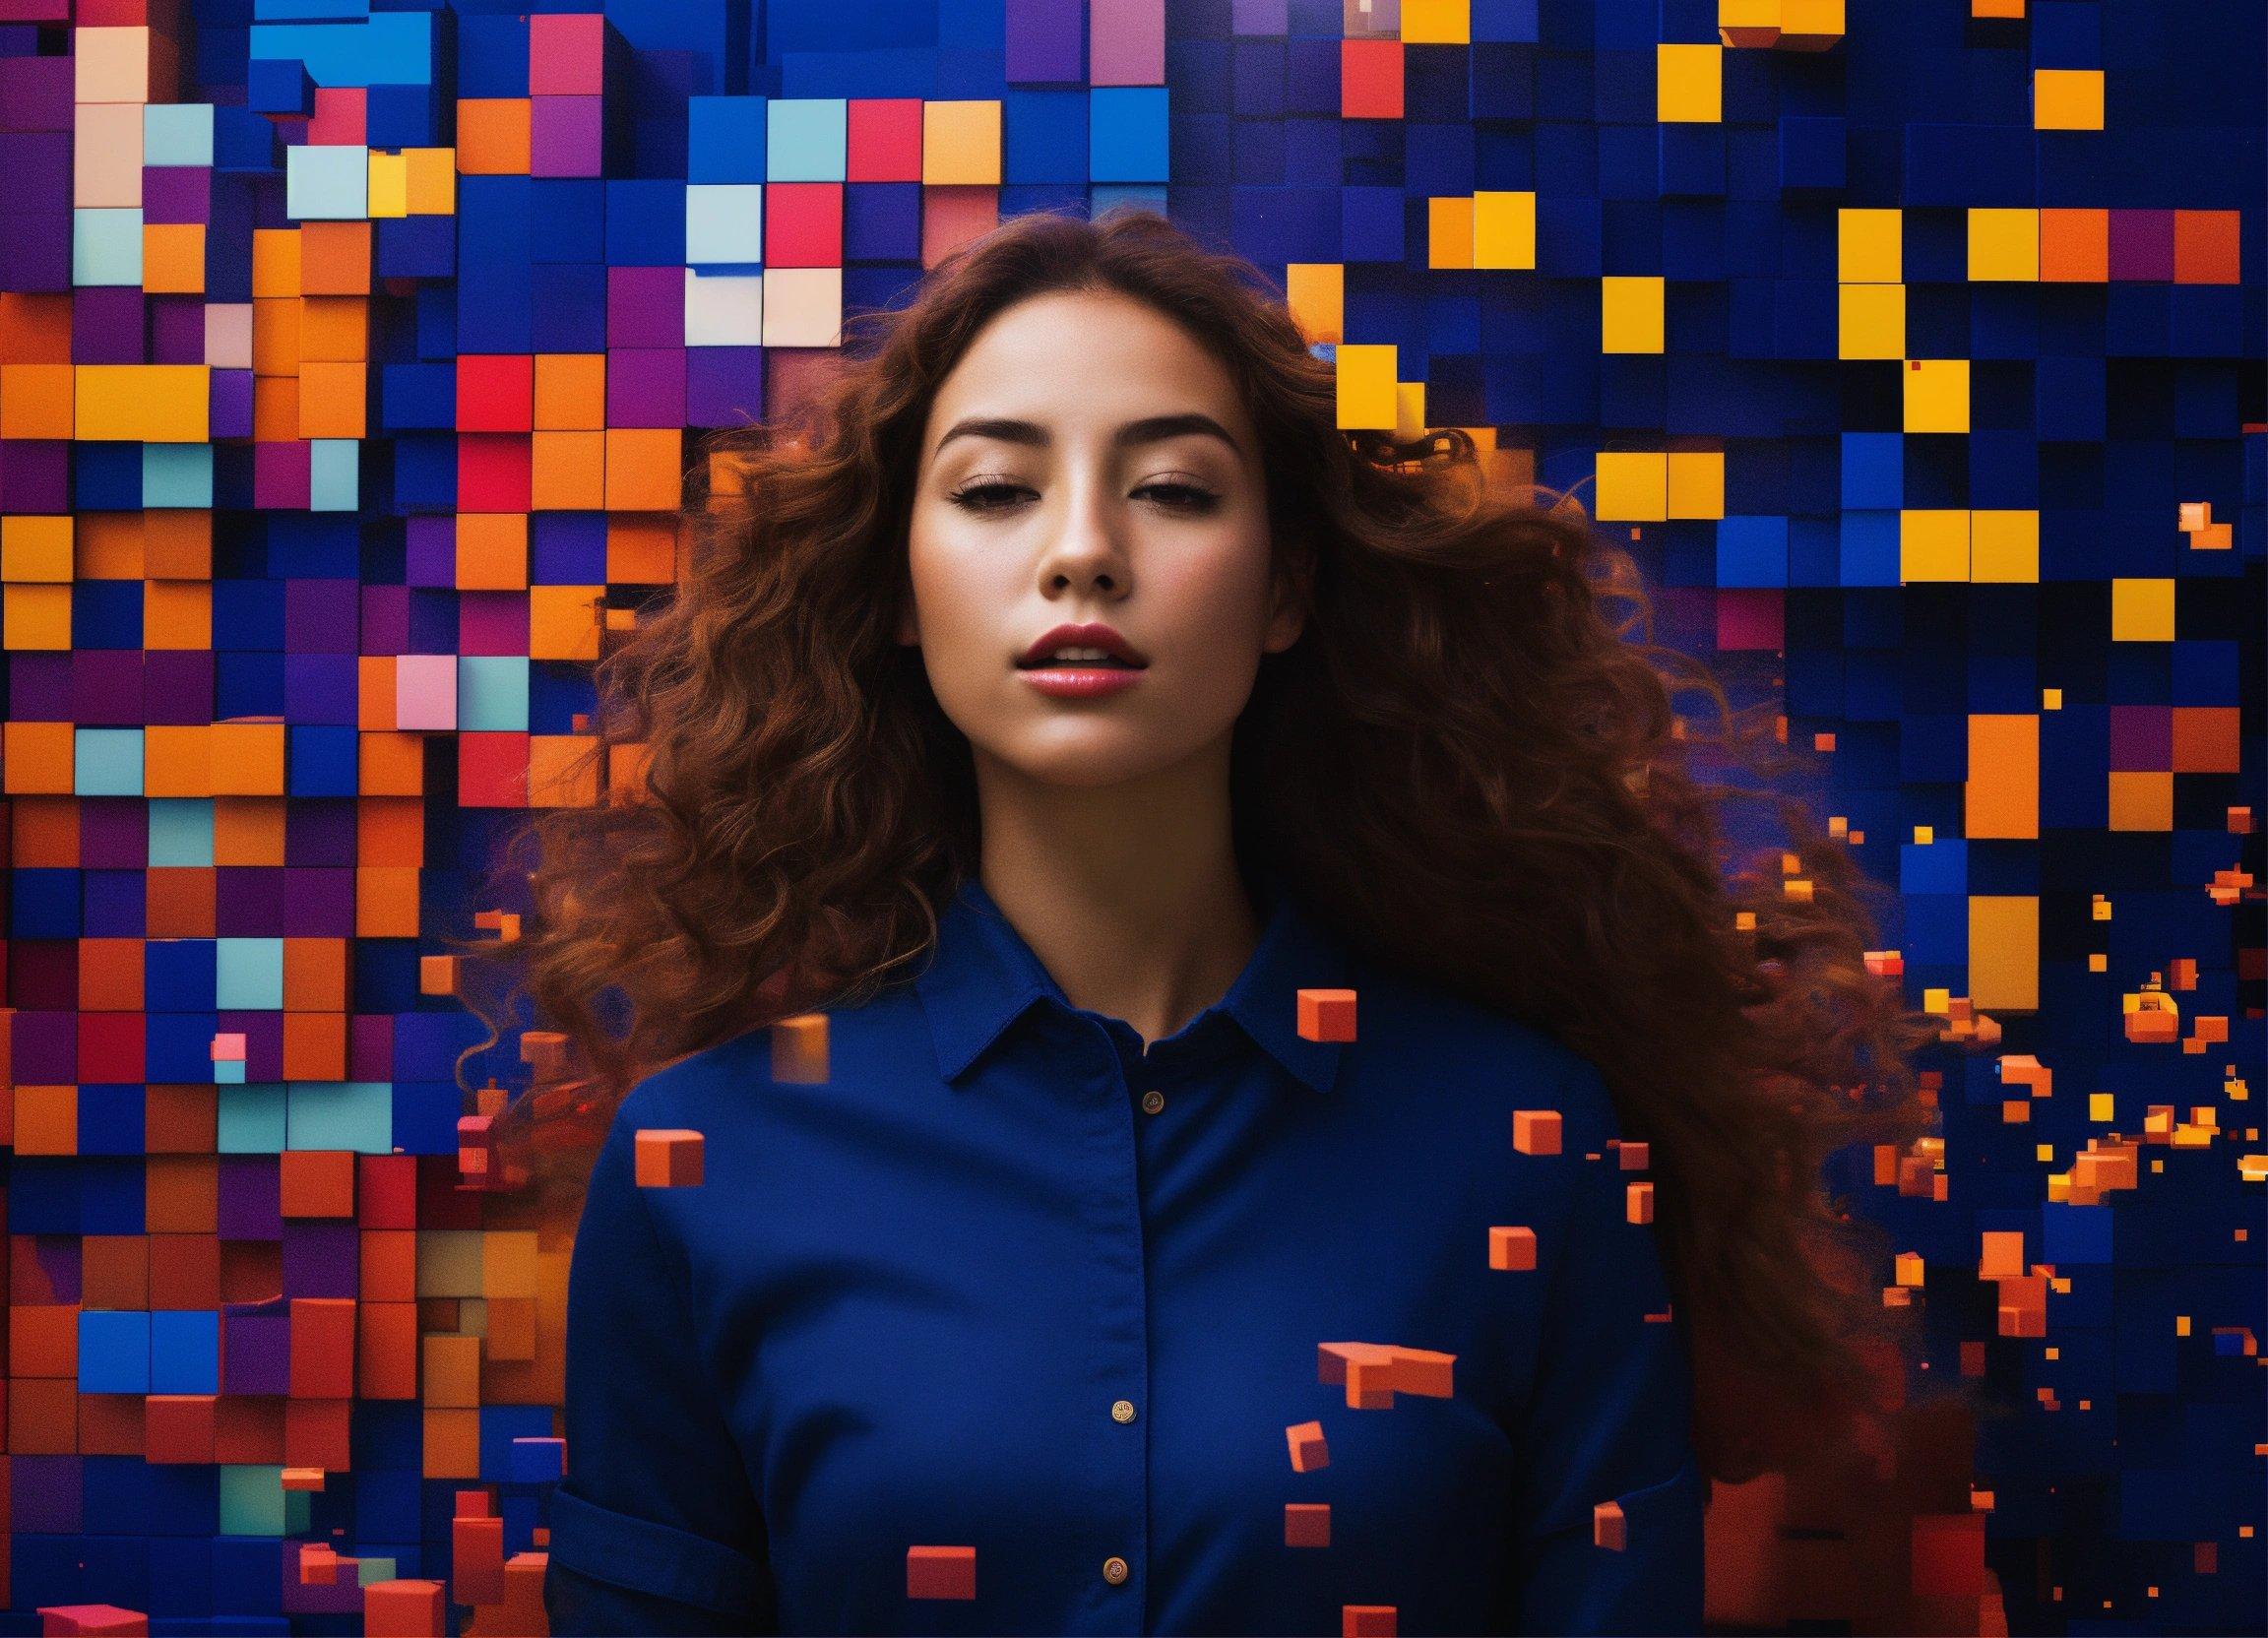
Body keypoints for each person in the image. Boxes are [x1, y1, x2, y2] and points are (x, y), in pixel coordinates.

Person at [460, 207, 1932, 1635]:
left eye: (1171, 487)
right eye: (993, 490)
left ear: (1287, 581)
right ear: (897, 589)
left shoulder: (1528, 1150)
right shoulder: (707, 1169)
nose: (1084, 551)